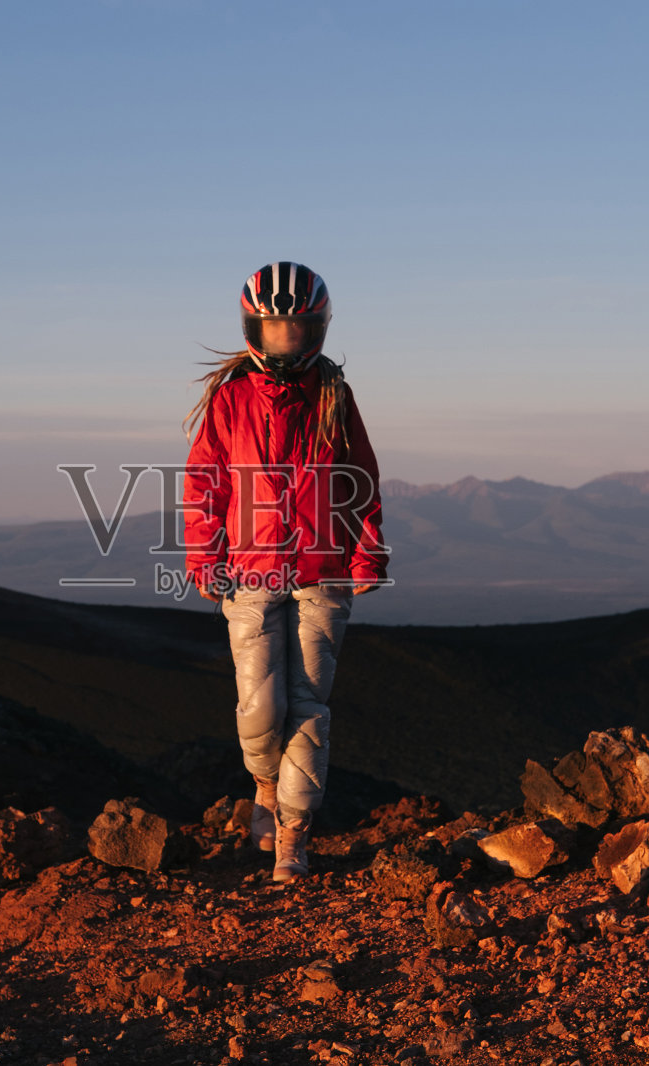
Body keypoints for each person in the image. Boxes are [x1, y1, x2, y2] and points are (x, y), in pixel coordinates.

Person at [181, 261, 388, 883]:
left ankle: (293, 837)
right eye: (275, 330)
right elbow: (205, 483)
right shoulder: (230, 399)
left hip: (323, 572)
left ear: (318, 329)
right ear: (253, 329)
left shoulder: (334, 397)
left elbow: (360, 478)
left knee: (308, 708)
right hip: (249, 572)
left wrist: (368, 552)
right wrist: (203, 554)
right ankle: (264, 786)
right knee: (259, 707)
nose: (286, 342)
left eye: (297, 330)